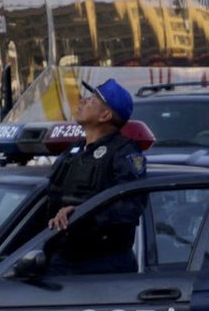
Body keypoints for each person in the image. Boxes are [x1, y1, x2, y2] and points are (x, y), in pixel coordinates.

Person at [45, 78, 147, 276]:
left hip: (102, 266)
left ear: (105, 115)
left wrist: (81, 213)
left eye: (92, 100)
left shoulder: (123, 153)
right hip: (64, 257)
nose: (83, 100)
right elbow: (48, 200)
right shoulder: (74, 150)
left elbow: (130, 207)